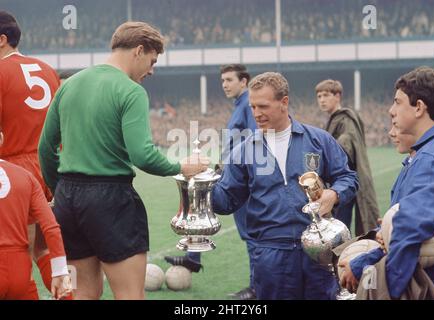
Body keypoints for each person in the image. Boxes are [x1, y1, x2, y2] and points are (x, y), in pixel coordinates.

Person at [38, 21, 208, 300]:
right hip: (110, 200)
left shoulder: (69, 85)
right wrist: (181, 167)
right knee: (129, 296)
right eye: (152, 61)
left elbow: (45, 148)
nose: (152, 70)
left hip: (68, 198)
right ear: (138, 50)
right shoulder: (131, 91)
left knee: (82, 295)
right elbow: (142, 155)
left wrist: (60, 190)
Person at [211, 72, 358, 300]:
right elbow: (225, 201)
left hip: (319, 253)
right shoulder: (244, 150)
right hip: (271, 254)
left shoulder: (318, 140)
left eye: (263, 106)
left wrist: (334, 193)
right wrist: (202, 183)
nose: (257, 114)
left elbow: (348, 178)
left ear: (284, 102)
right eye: (253, 107)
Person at [340, 66, 434, 298]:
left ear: (419, 107)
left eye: (398, 102)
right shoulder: (427, 153)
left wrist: (382, 287)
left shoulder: (429, 158)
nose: (390, 110)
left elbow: (409, 230)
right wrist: (384, 231)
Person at [164, 64, 258, 300]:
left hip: (243, 179)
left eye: (229, 80)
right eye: (222, 80)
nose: (224, 84)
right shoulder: (239, 105)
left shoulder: (248, 104)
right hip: (231, 173)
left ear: (244, 81)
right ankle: (193, 257)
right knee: (201, 207)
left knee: (251, 232)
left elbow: (255, 141)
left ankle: (257, 288)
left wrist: (241, 172)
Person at [0, 10, 61, 298]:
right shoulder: (47, 70)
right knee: (42, 247)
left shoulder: (0, 72)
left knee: (14, 250)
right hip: (46, 166)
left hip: (12, 169)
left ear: (2, 40)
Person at [0, 131, 71, 300]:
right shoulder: (26, 177)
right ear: (2, 139)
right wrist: (60, 270)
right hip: (19, 270)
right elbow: (51, 227)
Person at [316, 79, 380, 235]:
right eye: (318, 96)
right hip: (336, 182)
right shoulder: (333, 118)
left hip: (344, 182)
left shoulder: (345, 118)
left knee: (337, 229)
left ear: (337, 96)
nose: (322, 100)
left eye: (325, 95)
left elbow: (346, 144)